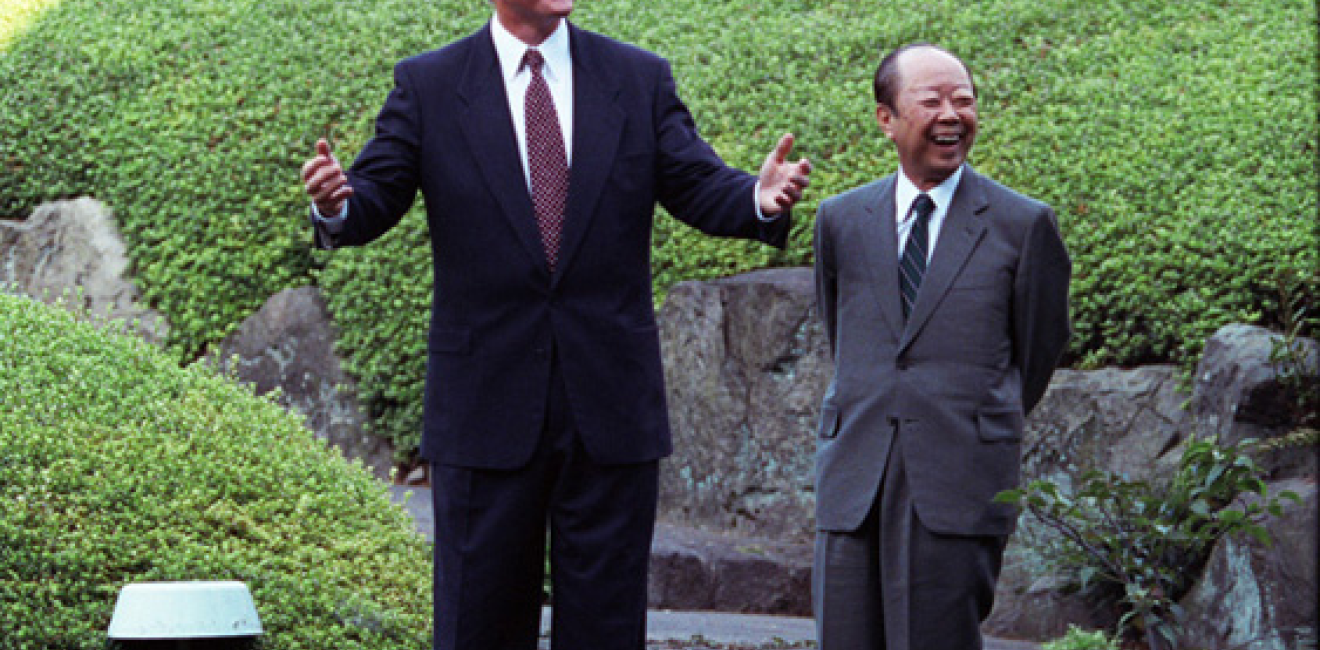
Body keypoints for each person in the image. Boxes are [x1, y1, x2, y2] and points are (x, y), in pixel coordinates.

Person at [300, 1, 812, 649]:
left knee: (607, 626)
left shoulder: (636, 77)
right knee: (477, 623)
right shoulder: (429, 83)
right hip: (482, 403)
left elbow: (694, 181)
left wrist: (755, 199)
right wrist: (335, 204)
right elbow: (374, 195)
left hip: (610, 403)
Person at [811, 43, 1071, 650]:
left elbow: (1035, 354)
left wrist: (970, 415)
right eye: (931, 101)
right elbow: (842, 335)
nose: (952, 114)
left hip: (957, 478)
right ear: (887, 118)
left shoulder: (1022, 225)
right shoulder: (841, 220)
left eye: (964, 100)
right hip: (854, 475)